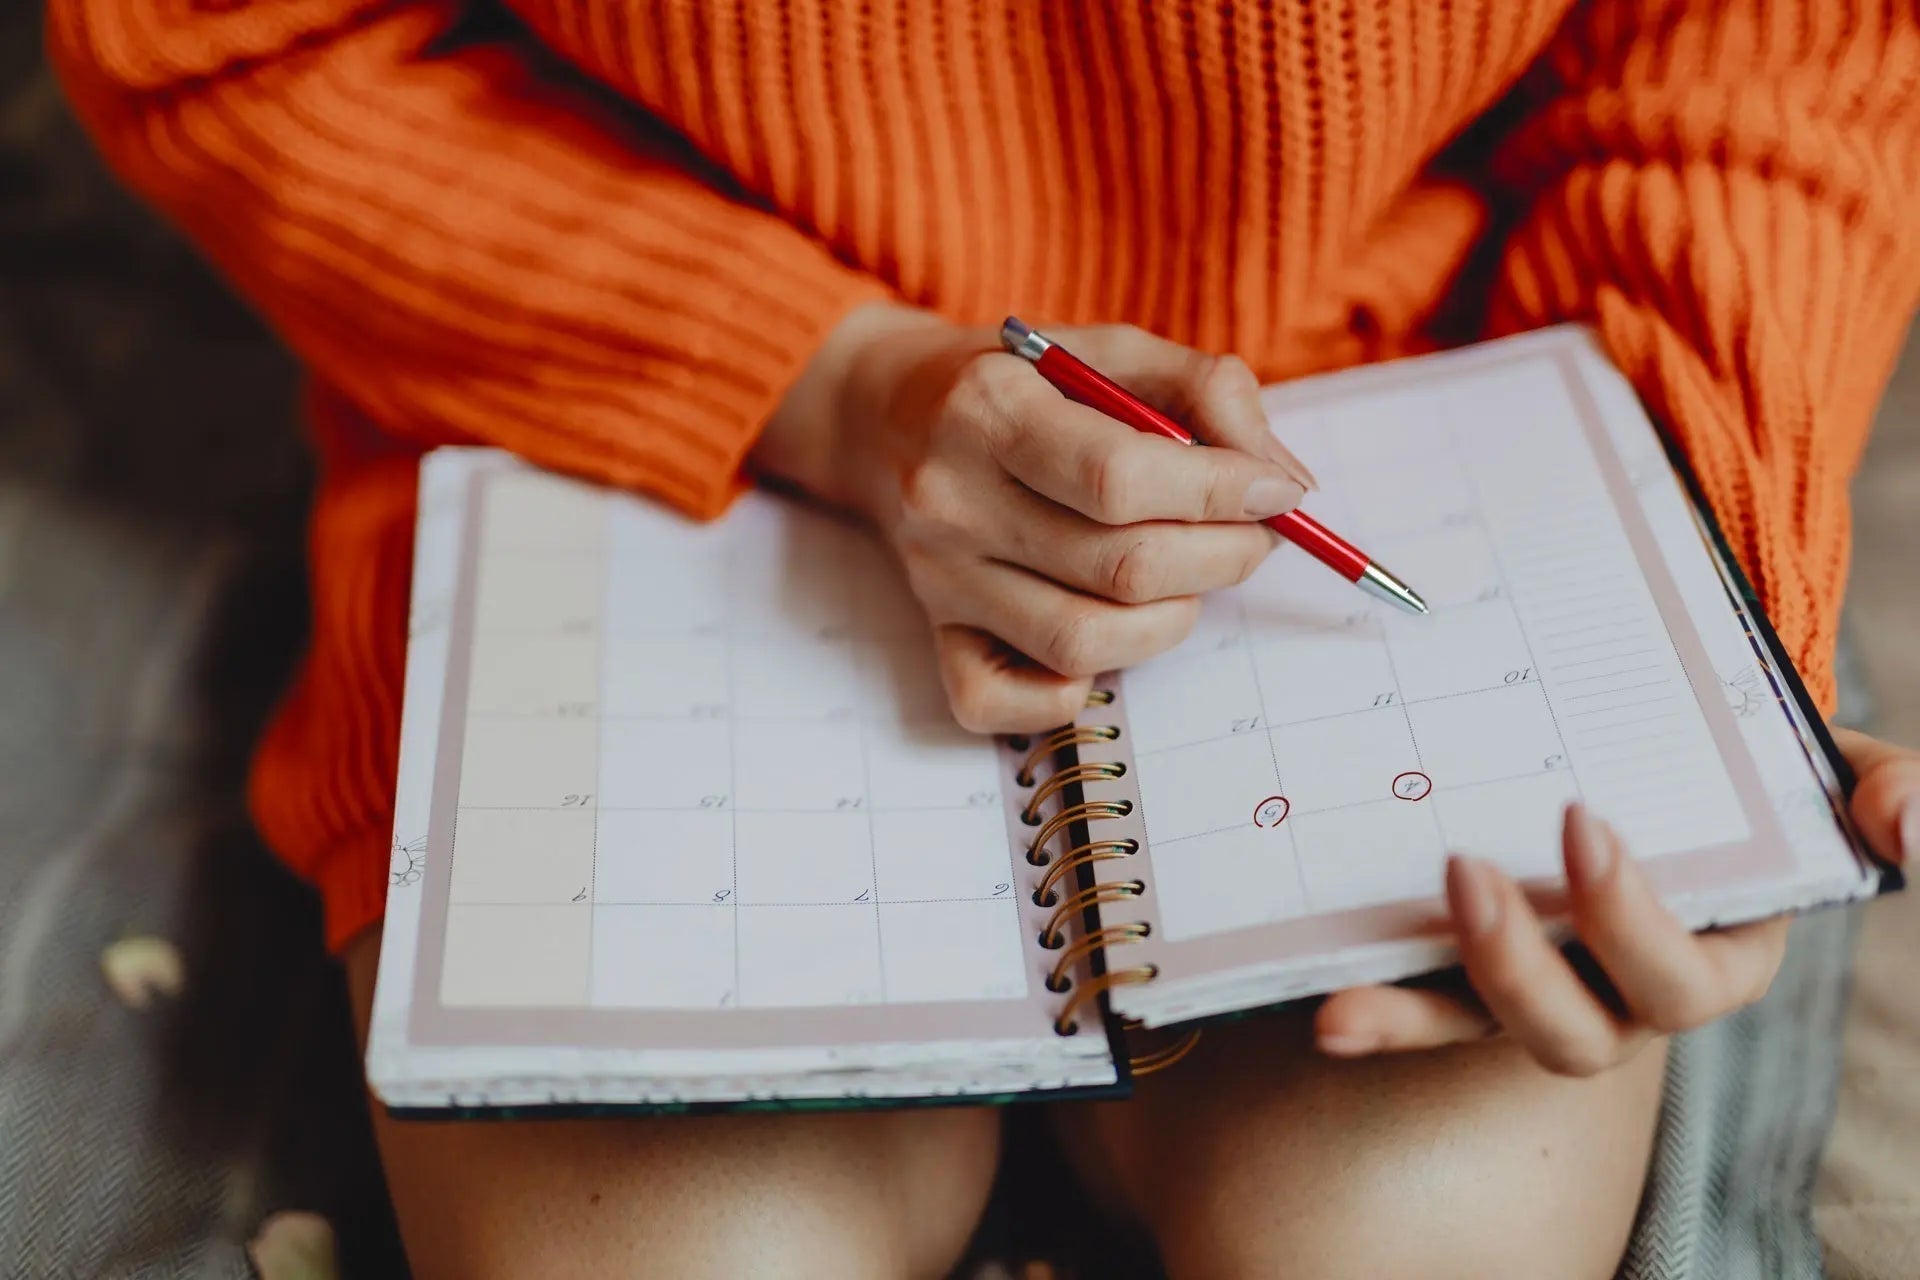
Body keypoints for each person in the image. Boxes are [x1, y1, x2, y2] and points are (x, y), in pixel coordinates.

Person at [48, 0, 1920, 1274]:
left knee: (1426, 1239)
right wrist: (832, 381)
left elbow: (1769, 62)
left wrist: (1690, 613)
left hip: (1394, 405)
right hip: (614, 407)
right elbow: (238, 40)